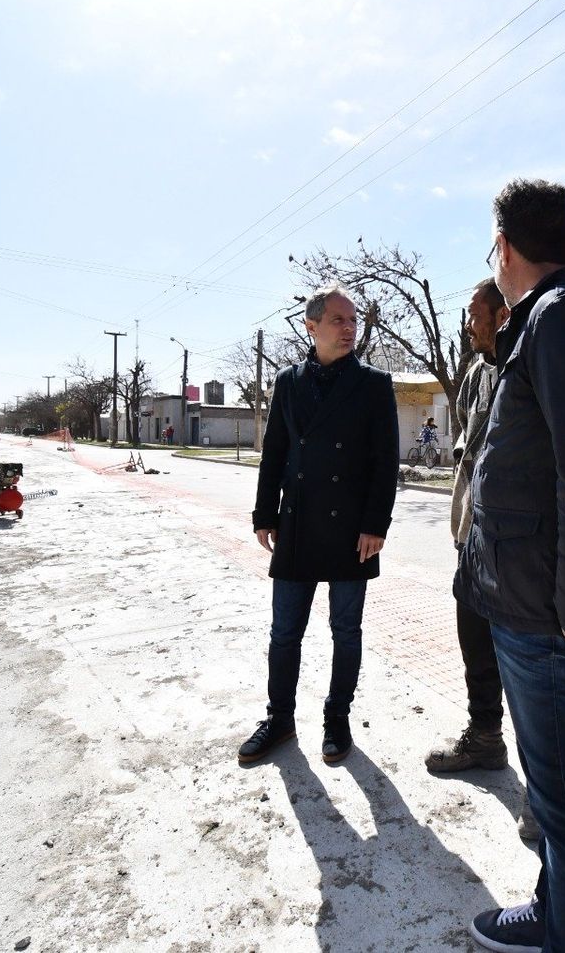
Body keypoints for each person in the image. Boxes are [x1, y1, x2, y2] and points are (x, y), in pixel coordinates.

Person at [456, 179, 565, 953]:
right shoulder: (540, 323)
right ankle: (553, 912)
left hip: (550, 621)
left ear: (506, 245)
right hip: (523, 604)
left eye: (492, 243)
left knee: (564, 798)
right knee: (551, 788)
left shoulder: (562, 322)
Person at [240, 286, 399, 767]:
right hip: (297, 524)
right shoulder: (288, 381)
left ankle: (337, 717)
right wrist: (265, 513)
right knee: (284, 631)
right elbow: (276, 454)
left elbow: (384, 461)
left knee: (345, 631)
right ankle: (280, 717)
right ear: (311, 326)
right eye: (337, 320)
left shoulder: (373, 383)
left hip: (353, 529)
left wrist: (376, 524)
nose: (349, 328)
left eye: (353, 320)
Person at [424, 277, 540, 842]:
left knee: (525, 660)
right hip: (472, 529)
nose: (467, 323)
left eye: (474, 313)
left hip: (517, 542)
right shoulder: (475, 372)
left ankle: (545, 792)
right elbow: (468, 450)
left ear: (500, 315)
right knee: (474, 634)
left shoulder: (527, 362)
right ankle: (485, 738)